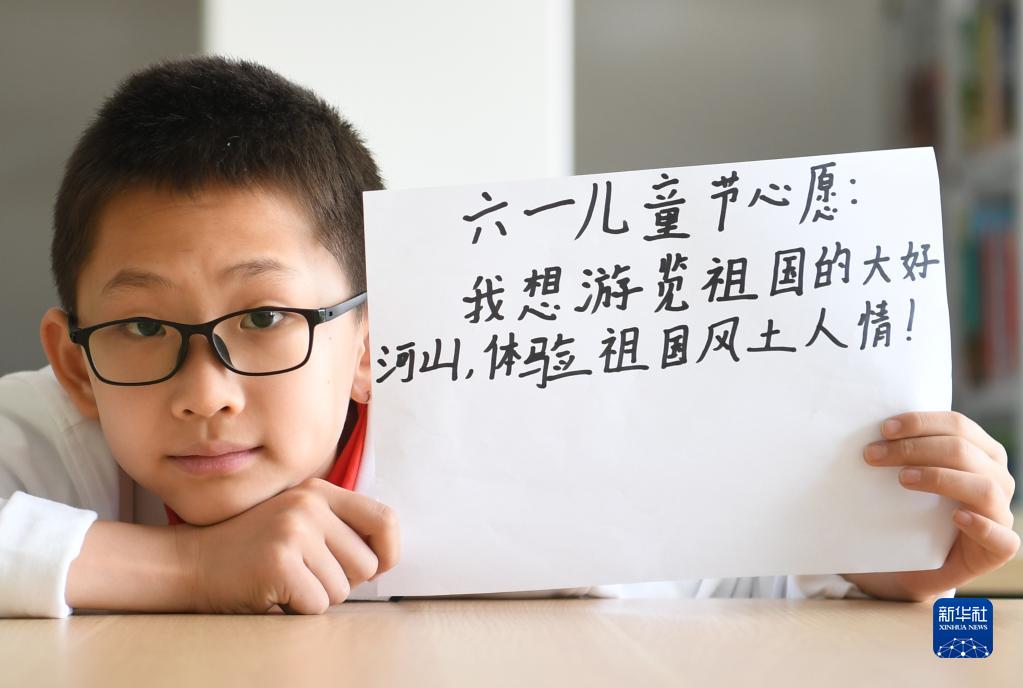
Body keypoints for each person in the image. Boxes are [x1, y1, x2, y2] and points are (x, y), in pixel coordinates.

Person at [0, 57, 1016, 618]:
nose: (206, 389)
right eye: (141, 326)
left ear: (374, 342)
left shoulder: (501, 437)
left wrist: (875, 568)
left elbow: (709, 577)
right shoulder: (53, 439)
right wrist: (191, 572)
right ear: (74, 363)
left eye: (265, 318)